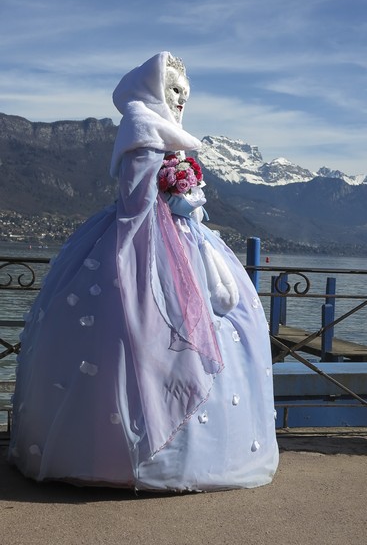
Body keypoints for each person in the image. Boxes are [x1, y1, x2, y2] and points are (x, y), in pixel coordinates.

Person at [8, 52, 278, 491]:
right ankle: (140, 453)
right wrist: (175, 198)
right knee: (144, 328)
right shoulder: (141, 128)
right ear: (152, 90)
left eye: (184, 94)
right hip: (144, 239)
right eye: (173, 91)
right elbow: (136, 202)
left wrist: (183, 200)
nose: (180, 101)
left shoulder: (164, 132)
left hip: (180, 237)